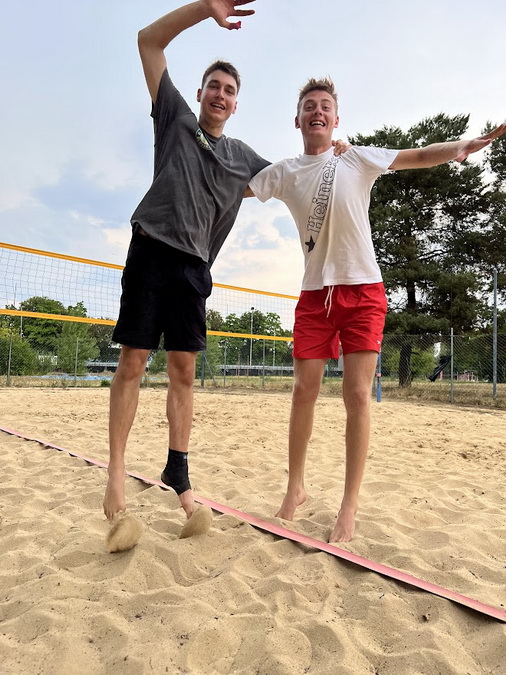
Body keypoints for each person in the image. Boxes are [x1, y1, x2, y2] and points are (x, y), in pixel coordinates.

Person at [248, 77, 506, 542]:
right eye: (309, 106)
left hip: (363, 290)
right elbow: (233, 188)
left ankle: (348, 505)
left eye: (325, 106)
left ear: (336, 119)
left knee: (357, 395)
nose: (317, 112)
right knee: (303, 391)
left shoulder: (356, 157)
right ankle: (295, 488)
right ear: (297, 120)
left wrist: (462, 147)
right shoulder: (285, 171)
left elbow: (417, 156)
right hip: (315, 294)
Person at [103, 0, 269, 523]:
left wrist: (337, 151)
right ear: (199, 94)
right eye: (213, 86)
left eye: (229, 90)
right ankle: (115, 470)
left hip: (195, 268)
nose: (220, 94)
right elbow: (148, 41)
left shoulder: (243, 159)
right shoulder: (175, 118)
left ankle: (178, 470)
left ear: (236, 105)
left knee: (184, 372)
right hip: (152, 250)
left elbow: (293, 180)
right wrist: (205, 8)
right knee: (133, 362)